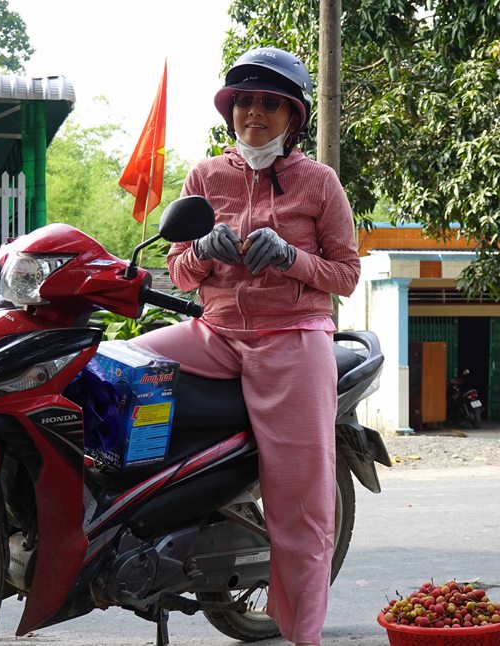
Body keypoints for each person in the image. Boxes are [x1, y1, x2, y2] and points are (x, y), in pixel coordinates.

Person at [130, 46, 360, 646]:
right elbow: (178, 271)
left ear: (293, 116)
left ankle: (302, 635)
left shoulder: (319, 183)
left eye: (269, 103)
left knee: (301, 505)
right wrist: (203, 252)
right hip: (217, 334)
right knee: (119, 366)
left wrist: (292, 259)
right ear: (231, 110)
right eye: (245, 102)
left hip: (293, 341)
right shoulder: (205, 176)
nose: (254, 113)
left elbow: (345, 275)